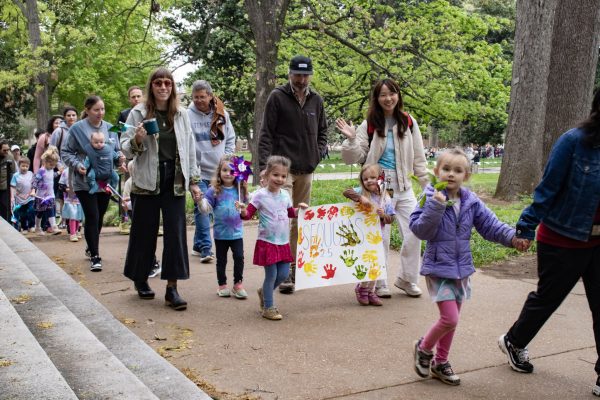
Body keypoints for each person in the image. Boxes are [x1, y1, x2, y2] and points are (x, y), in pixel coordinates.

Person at [498, 90, 600, 397]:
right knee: (548, 299)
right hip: (562, 239)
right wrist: (526, 228)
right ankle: (514, 341)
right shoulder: (574, 142)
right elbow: (548, 189)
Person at [409, 148, 527, 386]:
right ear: (436, 171)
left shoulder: (471, 202)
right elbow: (420, 230)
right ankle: (423, 348)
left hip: (461, 270)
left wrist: (513, 238)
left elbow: (491, 226)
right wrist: (435, 206)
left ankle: (440, 363)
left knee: (451, 321)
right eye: (446, 169)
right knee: (449, 319)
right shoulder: (429, 196)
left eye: (458, 170)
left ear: (467, 175)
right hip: (438, 269)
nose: (451, 174)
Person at [337, 78, 429, 298]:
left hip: (404, 186)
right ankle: (379, 282)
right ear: (376, 99)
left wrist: (429, 187)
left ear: (398, 95)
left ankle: (407, 279)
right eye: (383, 95)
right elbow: (353, 157)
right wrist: (350, 140)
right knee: (381, 237)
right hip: (378, 188)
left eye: (392, 93)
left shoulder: (408, 122)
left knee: (414, 232)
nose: (388, 99)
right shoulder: (368, 123)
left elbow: (419, 158)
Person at [121, 67, 201, 311]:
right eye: (159, 83)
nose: (163, 87)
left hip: (175, 179)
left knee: (176, 234)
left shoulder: (182, 114)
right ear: (151, 86)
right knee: (144, 232)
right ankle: (140, 277)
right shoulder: (138, 113)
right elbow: (124, 146)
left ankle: (172, 288)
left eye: (168, 83)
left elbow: (189, 147)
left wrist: (194, 180)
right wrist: (137, 139)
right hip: (147, 180)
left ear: (173, 87)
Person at [258, 55, 328, 294]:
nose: (301, 79)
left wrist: (317, 154)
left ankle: (295, 268)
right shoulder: (277, 97)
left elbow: (323, 132)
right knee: (282, 219)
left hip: (306, 170)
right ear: (289, 74)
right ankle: (282, 271)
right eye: (297, 75)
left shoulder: (316, 100)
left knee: (300, 222)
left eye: (305, 75)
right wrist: (264, 168)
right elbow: (266, 133)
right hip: (282, 172)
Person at [237, 155, 308, 320]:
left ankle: (264, 292)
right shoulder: (260, 195)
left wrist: (300, 209)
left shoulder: (285, 195)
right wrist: (242, 211)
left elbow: (291, 213)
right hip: (267, 242)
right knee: (271, 276)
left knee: (283, 275)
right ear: (267, 174)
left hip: (283, 243)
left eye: (284, 176)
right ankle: (268, 307)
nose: (280, 179)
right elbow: (248, 215)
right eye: (276, 175)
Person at [62, 95, 121, 272]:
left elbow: (115, 151)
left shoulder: (110, 128)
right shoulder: (77, 129)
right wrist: (78, 165)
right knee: (92, 215)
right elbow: (66, 152)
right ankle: (95, 255)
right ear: (87, 110)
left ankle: (90, 245)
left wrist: (121, 161)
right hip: (84, 181)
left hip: (105, 182)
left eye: (102, 109)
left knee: (100, 215)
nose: (100, 113)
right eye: (96, 110)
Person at [188, 80, 236, 263]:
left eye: (202, 97)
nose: (199, 100)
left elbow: (230, 137)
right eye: (196, 97)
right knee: (201, 208)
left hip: (218, 171)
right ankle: (207, 248)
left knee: (213, 207)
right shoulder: (187, 115)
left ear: (210, 96)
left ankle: (197, 245)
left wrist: (228, 158)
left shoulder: (221, 114)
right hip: (198, 171)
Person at [343, 163, 395, 306]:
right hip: (364, 235)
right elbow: (346, 191)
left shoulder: (386, 197)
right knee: (368, 263)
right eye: (365, 179)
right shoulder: (362, 192)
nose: (369, 181)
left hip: (379, 236)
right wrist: (360, 198)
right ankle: (362, 288)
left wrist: (383, 215)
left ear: (381, 178)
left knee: (377, 264)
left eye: (373, 177)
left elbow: (391, 218)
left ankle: (371, 291)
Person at [202, 155, 247, 299]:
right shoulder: (214, 190)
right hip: (221, 234)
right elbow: (206, 208)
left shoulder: (240, 190)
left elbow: (251, 202)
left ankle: (238, 284)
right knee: (221, 261)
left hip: (237, 233)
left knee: (239, 257)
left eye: (232, 171)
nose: (228, 173)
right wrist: (199, 201)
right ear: (219, 172)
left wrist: (245, 205)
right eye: (225, 170)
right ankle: (222, 285)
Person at [120, 160, 162, 278]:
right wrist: (127, 203)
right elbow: (125, 198)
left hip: (143, 207)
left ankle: (153, 264)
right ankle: (145, 266)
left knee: (146, 235)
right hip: (133, 209)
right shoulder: (129, 182)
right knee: (141, 236)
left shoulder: (148, 181)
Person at [32, 147, 62, 235]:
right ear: (44, 162)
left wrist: (59, 173)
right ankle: (37, 227)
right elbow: (35, 181)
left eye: (54, 165)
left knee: (51, 209)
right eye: (51, 164)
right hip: (41, 196)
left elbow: (52, 176)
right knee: (40, 213)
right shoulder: (41, 171)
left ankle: (54, 227)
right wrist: (33, 190)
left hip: (50, 195)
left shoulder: (51, 169)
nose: (52, 166)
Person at [10, 158, 35, 232]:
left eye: (26, 166)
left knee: (31, 210)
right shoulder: (15, 175)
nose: (25, 168)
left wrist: (33, 191)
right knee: (23, 213)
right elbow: (13, 187)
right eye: (23, 166)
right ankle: (25, 227)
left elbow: (34, 184)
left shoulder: (31, 174)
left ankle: (32, 225)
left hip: (30, 197)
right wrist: (12, 197)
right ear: (19, 166)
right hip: (20, 198)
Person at [0, 140, 15, 222]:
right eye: (4, 150)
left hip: (5, 187)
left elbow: (13, 172)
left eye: (8, 150)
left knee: (5, 207)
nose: (6, 152)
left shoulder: (10, 157)